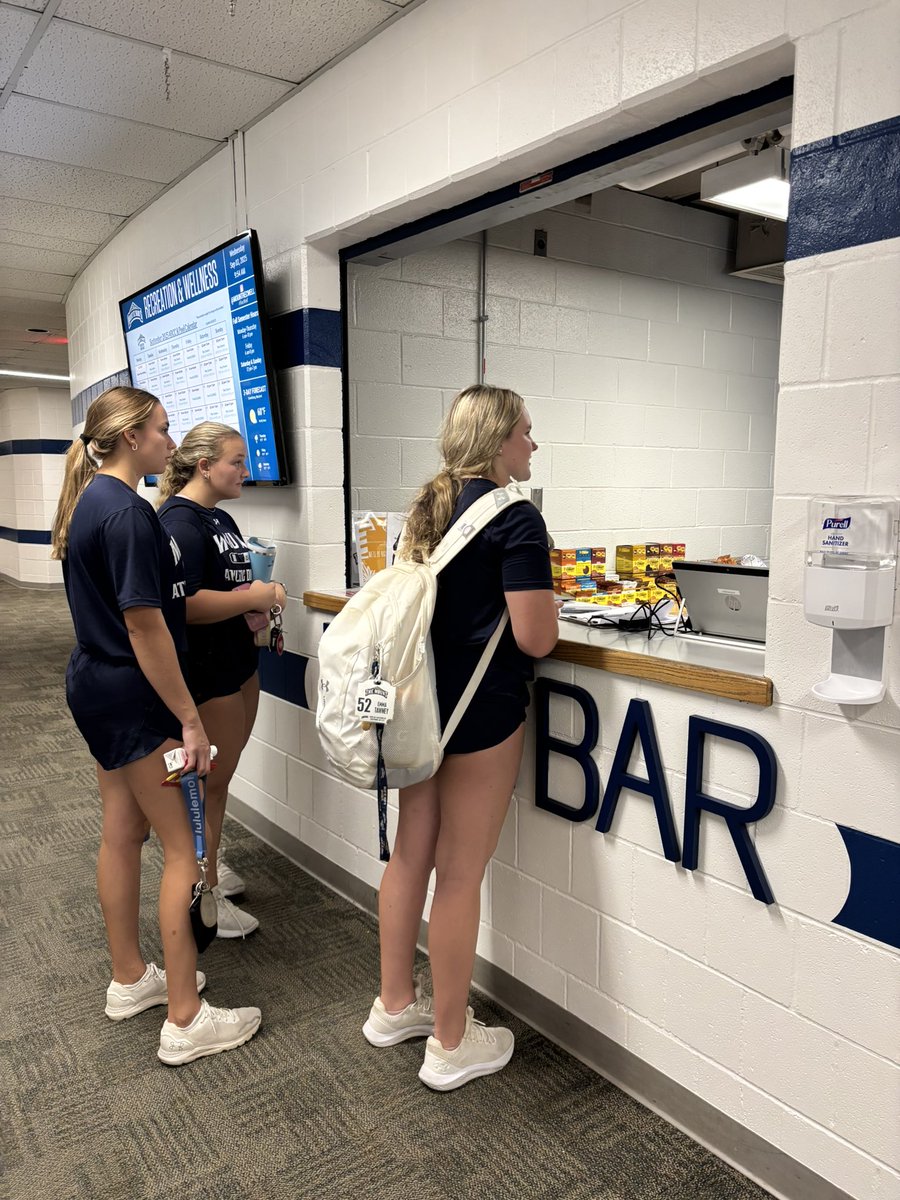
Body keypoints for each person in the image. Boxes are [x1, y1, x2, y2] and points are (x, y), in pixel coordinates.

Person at [51, 386, 261, 1065]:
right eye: (164, 431)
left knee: (121, 829)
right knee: (179, 848)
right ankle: (184, 1017)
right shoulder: (131, 517)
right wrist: (189, 720)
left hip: (95, 687)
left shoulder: (91, 502)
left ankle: (128, 978)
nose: (172, 445)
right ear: (132, 436)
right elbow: (147, 627)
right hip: (137, 697)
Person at [362, 385, 559, 1090]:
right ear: (499, 438)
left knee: (410, 857)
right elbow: (535, 635)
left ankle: (394, 1006)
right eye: (527, 433)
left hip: (420, 711)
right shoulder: (516, 521)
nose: (533, 445)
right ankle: (450, 1043)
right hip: (481, 715)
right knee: (462, 874)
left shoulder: (428, 505)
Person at [156, 422, 285, 938]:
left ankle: (208, 868)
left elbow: (225, 586)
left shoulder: (220, 517)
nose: (245, 471)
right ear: (204, 465)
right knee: (206, 788)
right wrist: (253, 597)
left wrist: (252, 598)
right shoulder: (179, 522)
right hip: (206, 676)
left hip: (237, 665)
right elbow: (181, 605)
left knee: (219, 782)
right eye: (237, 461)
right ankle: (201, 892)